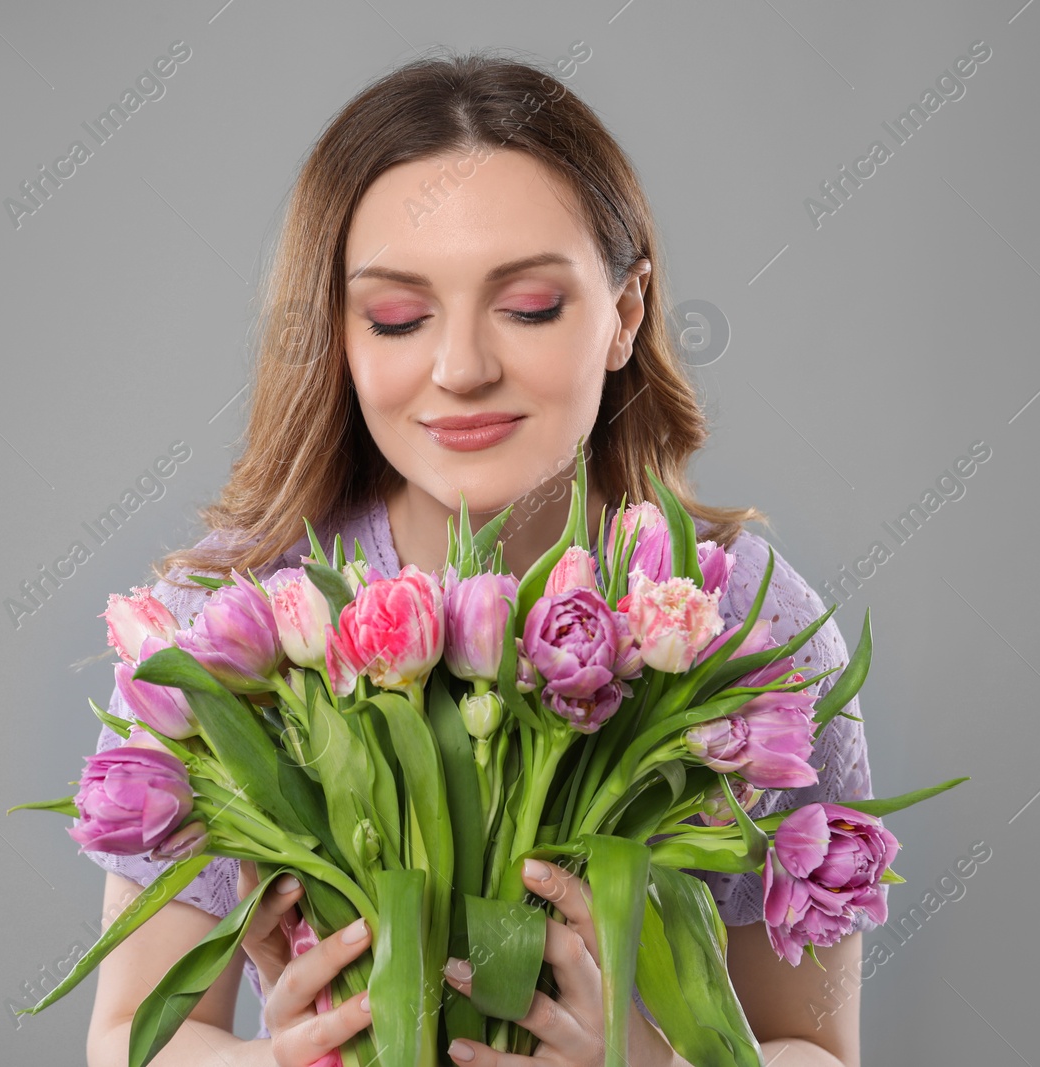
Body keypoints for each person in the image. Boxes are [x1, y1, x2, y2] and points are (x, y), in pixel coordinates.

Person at [83, 49, 876, 1067]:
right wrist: (279, 1061)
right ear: (337, 332)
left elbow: (818, 1049)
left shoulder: (748, 620)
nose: (460, 368)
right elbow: (130, 1043)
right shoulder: (226, 622)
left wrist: (644, 1063)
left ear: (624, 316)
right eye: (398, 317)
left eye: (531, 306)